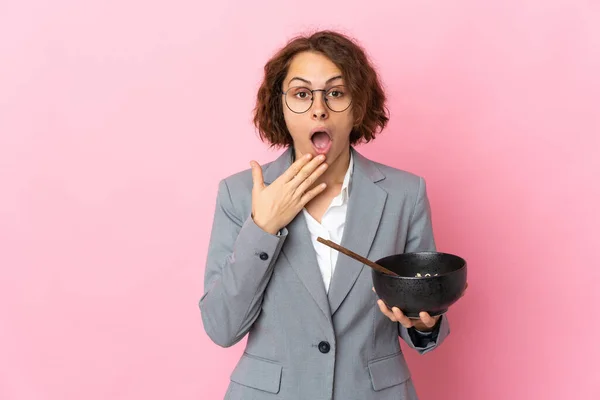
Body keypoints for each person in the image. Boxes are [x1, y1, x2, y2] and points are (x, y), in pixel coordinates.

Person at [200, 30, 451, 400]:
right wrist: (264, 227)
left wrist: (423, 322)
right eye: (302, 94)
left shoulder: (405, 194)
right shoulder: (238, 195)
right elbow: (221, 327)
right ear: (281, 107)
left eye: (336, 93)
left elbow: (422, 307)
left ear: (358, 106)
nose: (319, 108)